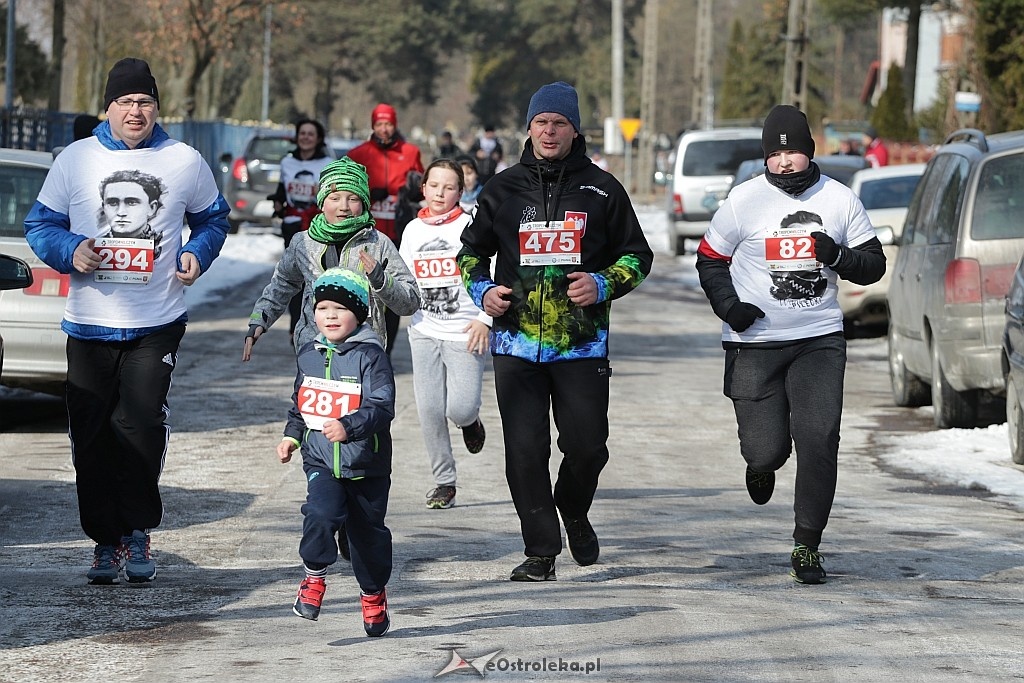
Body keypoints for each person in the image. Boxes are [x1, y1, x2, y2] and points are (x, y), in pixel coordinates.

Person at [23, 57, 229, 584]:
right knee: (90, 437)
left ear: (156, 107)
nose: (135, 112)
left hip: (156, 321)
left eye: (144, 102)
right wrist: (72, 250)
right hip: (88, 323)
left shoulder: (184, 160)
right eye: (125, 102)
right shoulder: (75, 159)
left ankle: (138, 531)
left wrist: (197, 255)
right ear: (108, 107)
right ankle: (104, 541)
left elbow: (213, 219)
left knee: (138, 428)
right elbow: (40, 224)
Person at [457, 81, 653, 582]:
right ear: (528, 128)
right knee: (525, 451)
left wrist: (604, 282)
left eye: (559, 123)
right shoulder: (502, 188)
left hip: (580, 345)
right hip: (515, 343)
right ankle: (540, 550)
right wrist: (483, 292)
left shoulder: (603, 189)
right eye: (541, 122)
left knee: (588, 445)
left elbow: (638, 255)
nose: (549, 131)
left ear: (574, 129)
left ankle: (573, 508)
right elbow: (470, 255)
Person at [694, 104, 885, 585]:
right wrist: (731, 308)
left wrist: (838, 256)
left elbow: (874, 264)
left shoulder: (840, 200)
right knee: (765, 450)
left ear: (809, 152)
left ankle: (807, 544)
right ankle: (760, 465)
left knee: (819, 439)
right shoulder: (744, 201)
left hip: (819, 337)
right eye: (776, 153)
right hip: (754, 340)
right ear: (765, 156)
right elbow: (710, 259)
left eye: (794, 152)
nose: (784, 162)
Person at [279, 267, 394, 635]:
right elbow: (300, 404)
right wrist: (292, 437)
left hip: (367, 464)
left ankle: (373, 593)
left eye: (340, 309)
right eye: (323, 307)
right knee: (320, 513)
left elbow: (383, 405)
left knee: (367, 537)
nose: (330, 316)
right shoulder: (308, 355)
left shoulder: (371, 356)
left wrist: (350, 426)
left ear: (358, 314)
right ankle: (313, 578)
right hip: (321, 461)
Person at [243, 156, 419, 361]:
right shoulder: (303, 242)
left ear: (364, 203)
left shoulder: (379, 244)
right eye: (334, 198)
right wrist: (259, 320)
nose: (343, 206)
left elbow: (410, 302)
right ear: (322, 202)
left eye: (353, 199)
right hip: (313, 350)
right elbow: (282, 284)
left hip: (362, 355)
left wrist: (382, 281)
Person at [398, 159, 490, 510]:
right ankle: (444, 482)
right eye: (434, 185)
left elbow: (493, 272)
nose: (440, 192)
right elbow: (404, 279)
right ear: (423, 188)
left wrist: (485, 319)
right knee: (430, 409)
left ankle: (470, 421)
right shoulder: (412, 231)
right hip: (424, 329)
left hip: (466, 331)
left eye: (449, 187)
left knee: (459, 407)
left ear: (460, 192)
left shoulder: (470, 226)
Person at [347, 103, 425, 355]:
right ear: (372, 125)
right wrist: (368, 192)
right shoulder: (358, 154)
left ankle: (386, 351)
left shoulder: (410, 152)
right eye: (379, 124)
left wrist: (411, 192)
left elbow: (421, 185)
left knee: (392, 289)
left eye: (388, 124)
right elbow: (344, 189)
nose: (384, 129)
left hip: (399, 232)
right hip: (366, 234)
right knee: (364, 288)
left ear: (395, 124)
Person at [267, 119, 333, 337]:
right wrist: (278, 202)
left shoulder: (327, 163)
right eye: (302, 133)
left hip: (320, 228)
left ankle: (319, 322)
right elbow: (282, 190)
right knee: (295, 276)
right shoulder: (287, 163)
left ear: (319, 139)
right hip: (293, 227)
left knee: (318, 276)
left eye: (310, 134)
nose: (305, 137)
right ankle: (296, 324)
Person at [97, 169, 164, 257]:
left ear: (151, 208)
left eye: (131, 202)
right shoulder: (95, 243)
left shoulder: (160, 243)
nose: (121, 212)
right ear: (104, 207)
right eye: (113, 203)